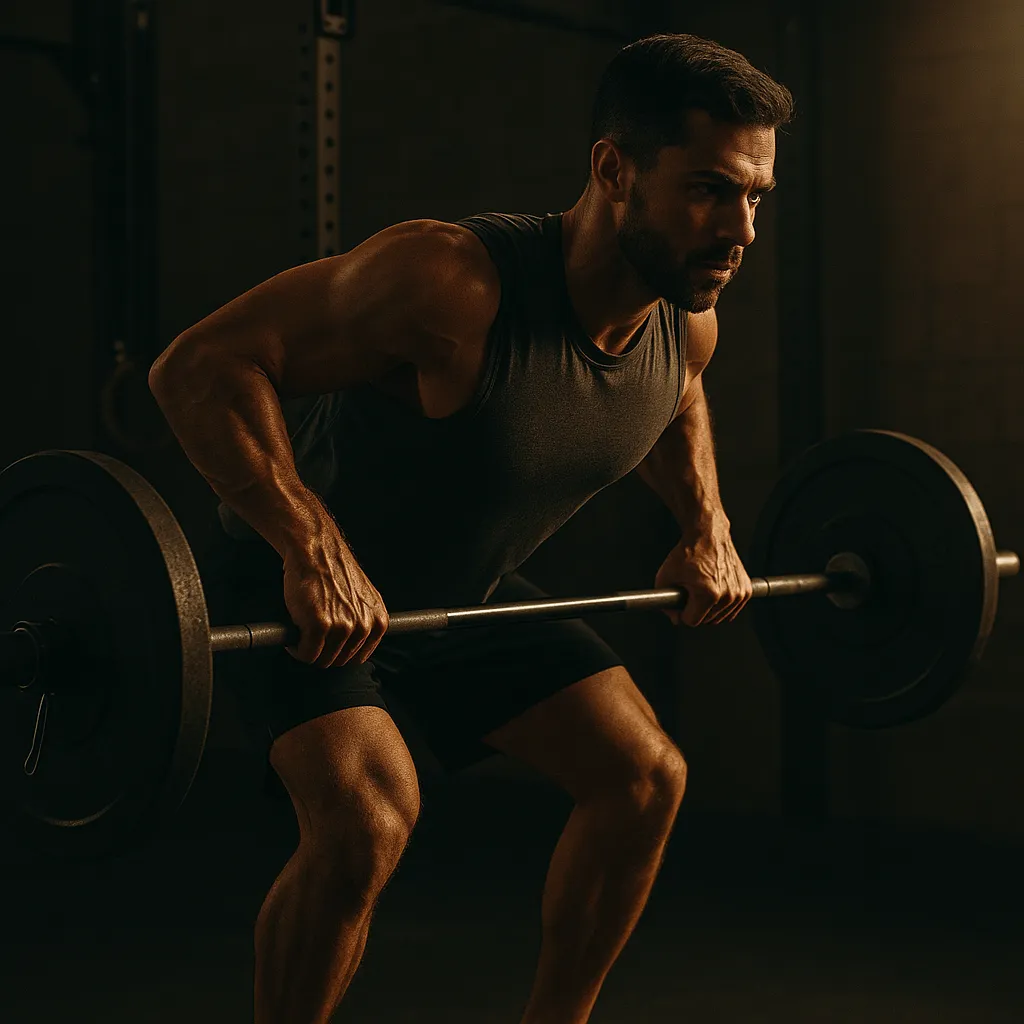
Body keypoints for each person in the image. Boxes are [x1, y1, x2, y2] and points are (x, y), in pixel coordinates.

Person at [149, 31, 792, 1024]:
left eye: (755, 196)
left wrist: (706, 525)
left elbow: (675, 401)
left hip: (462, 588)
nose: (740, 228)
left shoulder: (685, 319)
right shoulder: (451, 282)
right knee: (368, 821)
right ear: (613, 170)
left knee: (643, 776)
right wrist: (310, 545)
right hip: (289, 582)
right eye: (709, 188)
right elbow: (199, 367)